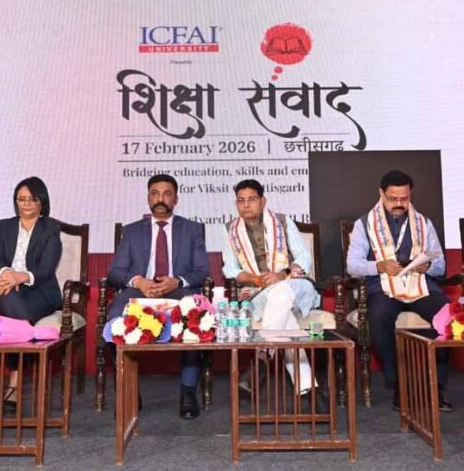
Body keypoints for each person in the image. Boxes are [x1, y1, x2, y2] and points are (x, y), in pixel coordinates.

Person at [346, 169, 453, 411]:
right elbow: (352, 265)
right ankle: (400, 384)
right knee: (379, 316)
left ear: (410, 194)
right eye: (393, 198)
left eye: (404, 199)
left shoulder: (423, 223)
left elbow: (441, 266)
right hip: (383, 285)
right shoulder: (364, 224)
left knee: (447, 315)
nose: (399, 204)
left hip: (419, 283)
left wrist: (428, 266)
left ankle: (437, 386)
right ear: (381, 194)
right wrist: (379, 265)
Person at [107, 174, 209, 419]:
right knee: (114, 319)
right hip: (139, 290)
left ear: (176, 199)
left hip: (177, 289)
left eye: (166, 194)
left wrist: (177, 281)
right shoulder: (132, 231)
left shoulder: (191, 230)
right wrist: (139, 281)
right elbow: (115, 272)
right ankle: (128, 391)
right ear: (148, 198)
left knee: (194, 317)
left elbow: (202, 271)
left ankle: (188, 391)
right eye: (154, 193)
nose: (160, 199)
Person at [221, 179, 321, 398]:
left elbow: (304, 258)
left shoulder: (283, 222)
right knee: (282, 311)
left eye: (251, 199)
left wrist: (281, 275)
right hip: (259, 293)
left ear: (263, 201)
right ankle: (308, 389)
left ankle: (263, 357)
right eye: (240, 200)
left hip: (295, 286)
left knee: (281, 291)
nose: (246, 204)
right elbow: (229, 269)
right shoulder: (230, 230)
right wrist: (254, 279)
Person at [0, 176, 62, 410]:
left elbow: (47, 268)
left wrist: (21, 277)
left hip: (38, 291)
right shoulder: (3, 226)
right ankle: (21, 363)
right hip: (3, 287)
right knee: (9, 299)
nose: (26, 204)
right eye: (21, 199)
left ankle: (15, 378)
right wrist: (7, 275)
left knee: (13, 313)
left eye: (32, 199)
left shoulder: (50, 229)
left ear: (42, 202)